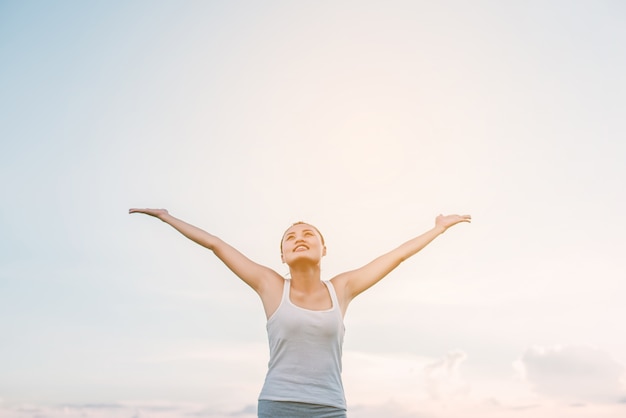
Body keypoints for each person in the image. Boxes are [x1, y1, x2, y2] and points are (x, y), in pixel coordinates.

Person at [129, 208, 471, 417]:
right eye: (290, 237)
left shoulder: (342, 289)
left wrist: (437, 229)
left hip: (330, 408)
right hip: (279, 405)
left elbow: (394, 256)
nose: (300, 238)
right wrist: (167, 217)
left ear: (325, 249)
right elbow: (216, 244)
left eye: (309, 234)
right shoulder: (271, 286)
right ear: (282, 255)